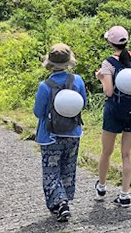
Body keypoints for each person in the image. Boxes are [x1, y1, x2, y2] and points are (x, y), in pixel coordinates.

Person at [94, 25, 131, 208]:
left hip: (114, 112)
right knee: (126, 154)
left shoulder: (108, 63)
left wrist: (101, 77)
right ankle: (125, 195)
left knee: (106, 152)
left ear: (110, 43)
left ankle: (101, 187)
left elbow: (109, 92)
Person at [33, 44, 87, 222]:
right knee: (68, 168)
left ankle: (60, 203)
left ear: (49, 62)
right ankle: (63, 200)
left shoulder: (44, 86)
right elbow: (83, 104)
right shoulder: (77, 80)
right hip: (73, 133)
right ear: (69, 61)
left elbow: (38, 112)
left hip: (50, 136)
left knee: (51, 170)